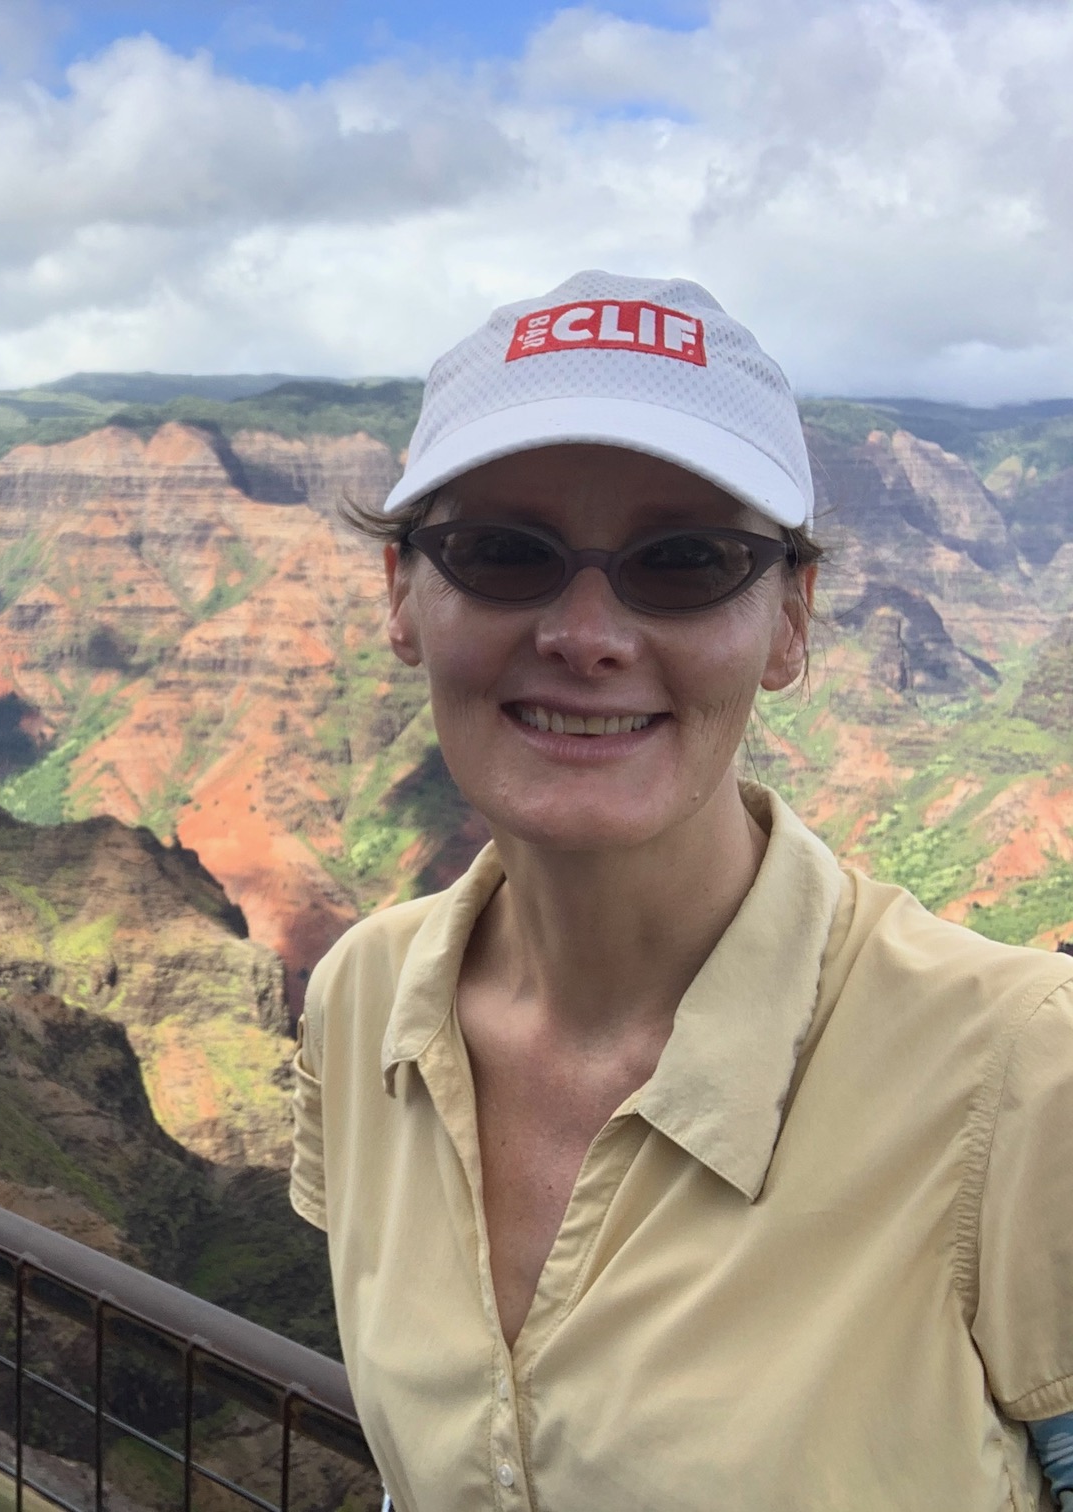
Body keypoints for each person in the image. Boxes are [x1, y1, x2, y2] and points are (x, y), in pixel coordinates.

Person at [290, 271, 1073, 1510]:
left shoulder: (1025, 1076)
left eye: (687, 561)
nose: (587, 632)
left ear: (789, 623)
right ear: (403, 595)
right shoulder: (362, 1009)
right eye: (503, 552)